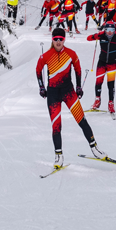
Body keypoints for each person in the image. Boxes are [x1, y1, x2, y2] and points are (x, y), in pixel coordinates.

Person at [36, 27, 104, 166]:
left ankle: (95, 148)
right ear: (52, 40)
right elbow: (38, 70)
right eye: (56, 39)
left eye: (61, 39)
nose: (58, 41)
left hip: (69, 92)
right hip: (53, 94)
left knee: (82, 120)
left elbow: (78, 69)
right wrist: (41, 87)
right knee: (56, 126)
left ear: (64, 39)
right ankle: (58, 155)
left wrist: (79, 87)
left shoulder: (71, 54)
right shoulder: (46, 56)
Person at [87, 12, 116, 113]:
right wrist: (97, 35)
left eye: (112, 30)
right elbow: (88, 38)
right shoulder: (102, 36)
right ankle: (97, 100)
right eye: (107, 30)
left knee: (111, 84)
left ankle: (111, 103)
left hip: (112, 63)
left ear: (114, 30)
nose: (109, 32)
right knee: (98, 82)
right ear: (105, 30)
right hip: (101, 62)